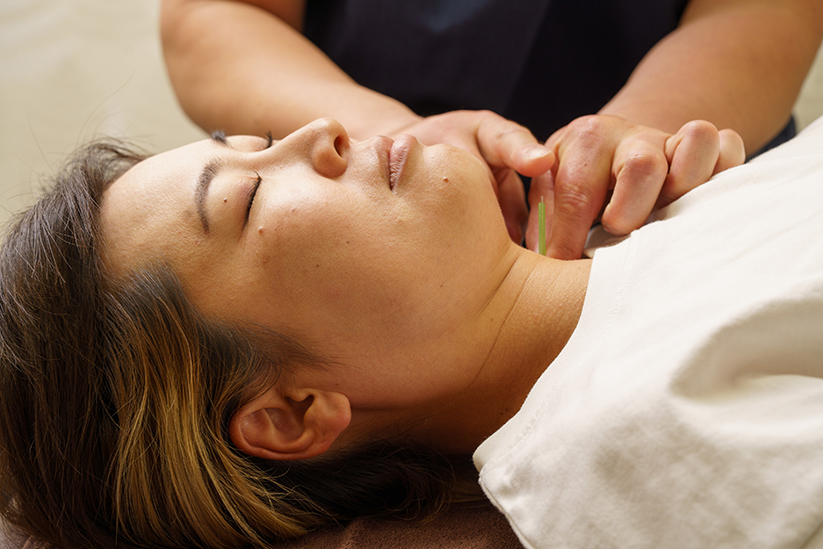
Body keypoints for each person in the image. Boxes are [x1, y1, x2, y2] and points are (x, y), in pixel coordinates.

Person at [0, 116, 821, 549]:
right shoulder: (633, 433)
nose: (320, 132)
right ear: (290, 412)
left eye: (256, 139)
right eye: (247, 199)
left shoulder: (659, 202)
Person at [159, 0, 823, 258]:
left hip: (682, 179)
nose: (310, 140)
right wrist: (391, 133)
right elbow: (211, 16)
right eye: (245, 190)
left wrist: (636, 143)